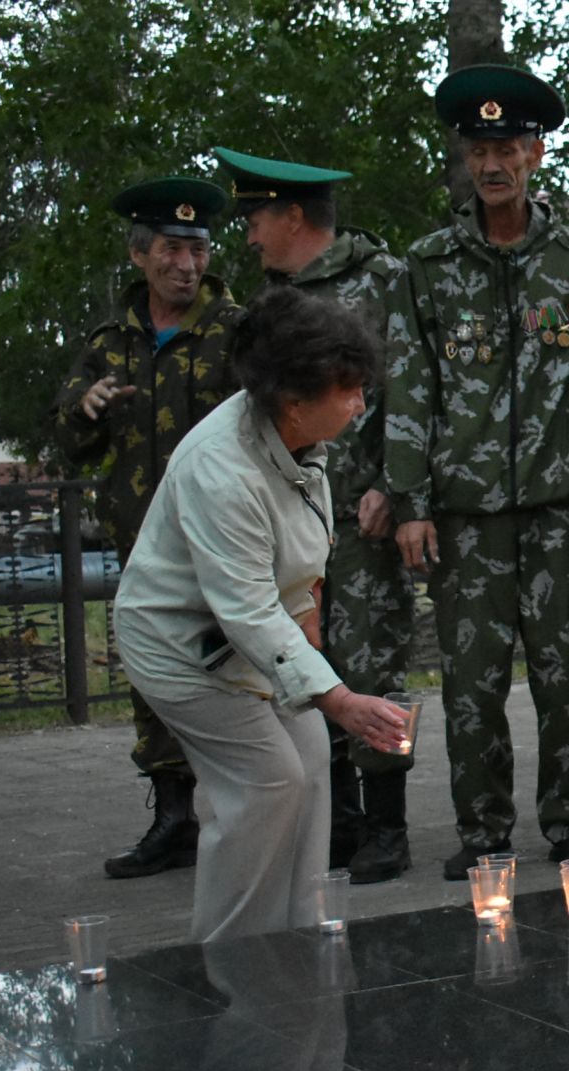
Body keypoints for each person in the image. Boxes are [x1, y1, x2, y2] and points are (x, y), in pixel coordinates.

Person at [112, 286, 407, 941]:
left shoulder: (299, 435)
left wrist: (308, 633)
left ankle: (295, 935)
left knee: (309, 768)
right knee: (267, 781)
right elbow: (245, 607)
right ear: (294, 398)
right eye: (349, 389)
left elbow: (292, 567)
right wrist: (339, 698)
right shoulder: (224, 471)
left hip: (245, 633)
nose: (360, 402)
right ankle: (231, 950)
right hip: (178, 645)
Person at [384, 65, 569, 878]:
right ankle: (482, 831)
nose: (494, 163)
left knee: (564, 681)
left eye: (509, 146)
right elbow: (411, 384)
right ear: (464, 158)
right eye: (480, 148)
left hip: (553, 508)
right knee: (470, 688)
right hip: (464, 514)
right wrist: (409, 500)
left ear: (537, 153)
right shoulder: (430, 263)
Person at [216, 146, 416, 884]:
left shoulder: (383, 282)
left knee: (375, 664)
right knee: (306, 659)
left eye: (256, 218)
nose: (248, 236)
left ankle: (388, 824)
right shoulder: (271, 303)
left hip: (362, 519)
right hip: (290, 515)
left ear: (293, 215)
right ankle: (336, 821)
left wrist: (397, 486)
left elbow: (411, 390)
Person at [51, 177, 244, 880]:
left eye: (196, 248)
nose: (186, 264)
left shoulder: (237, 331)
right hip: (143, 542)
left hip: (225, 539)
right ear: (140, 254)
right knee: (154, 674)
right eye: (171, 248)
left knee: (234, 665)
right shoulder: (111, 343)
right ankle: (173, 816)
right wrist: (86, 406)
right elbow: (70, 439)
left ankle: (245, 811)